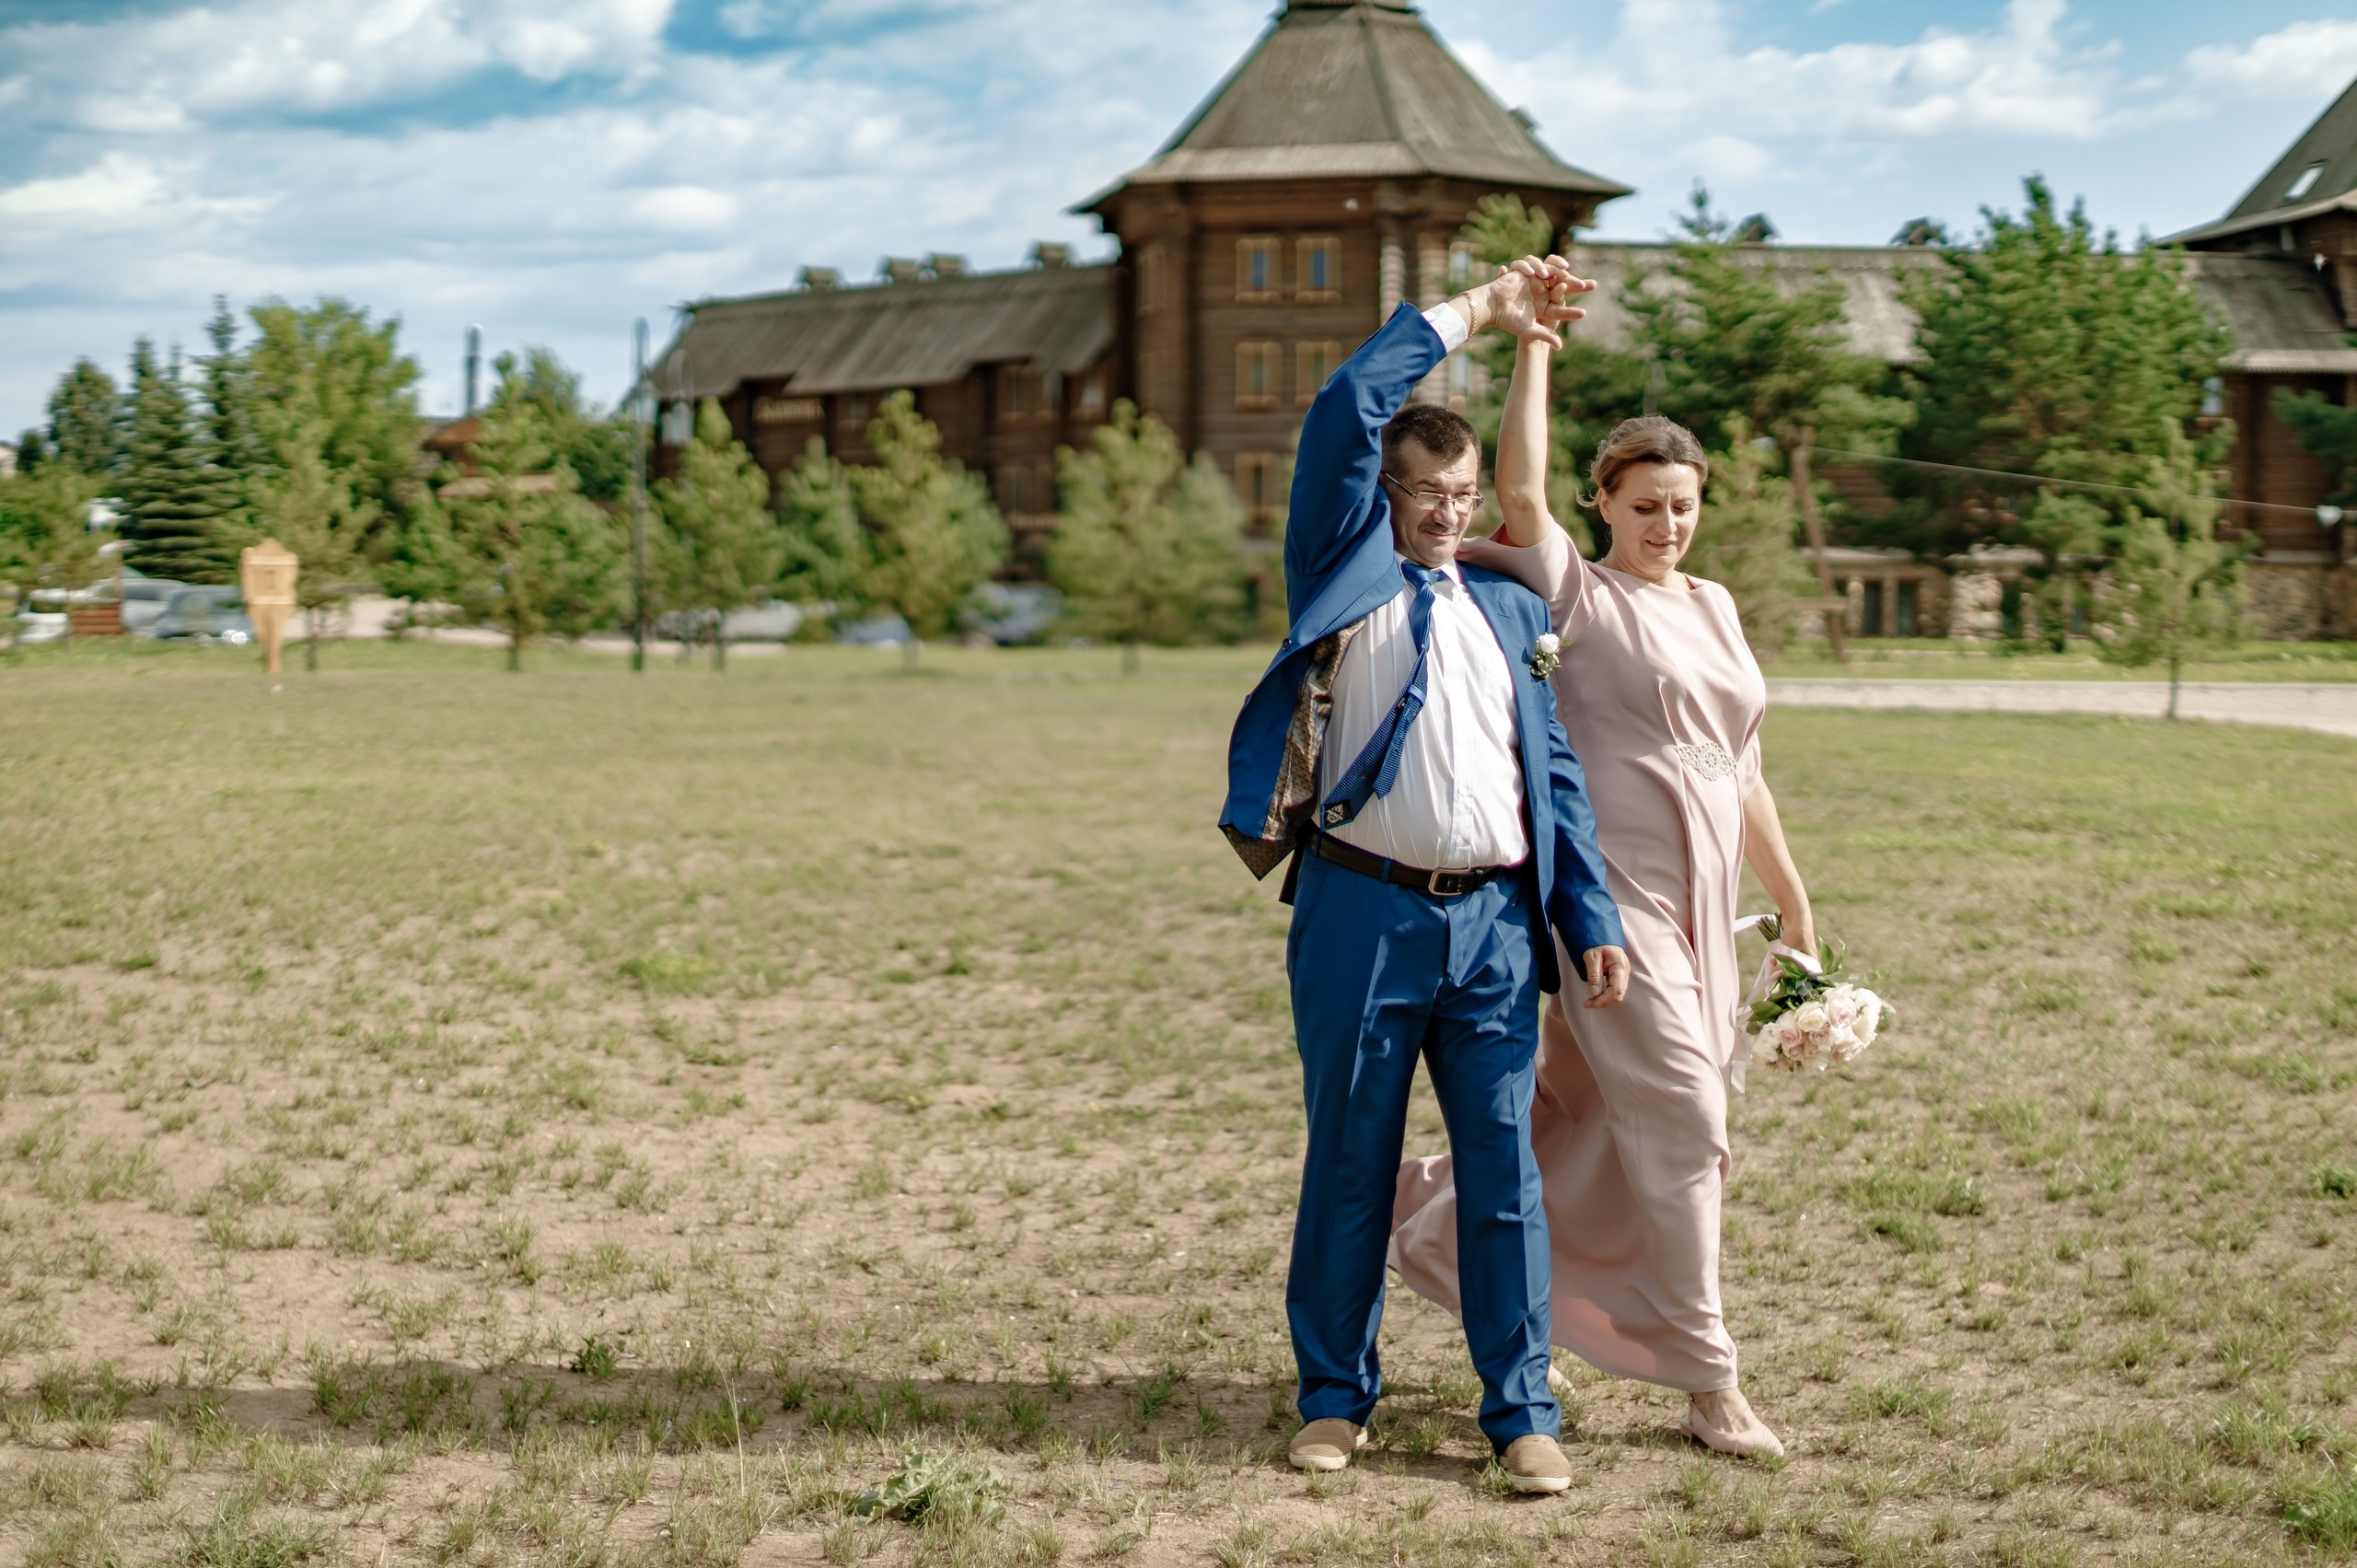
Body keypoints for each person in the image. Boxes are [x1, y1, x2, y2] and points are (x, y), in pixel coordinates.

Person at [1218, 260, 1631, 1494]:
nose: (1449, 511)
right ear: (1384, 495)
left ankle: (1521, 1409)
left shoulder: (1509, 613)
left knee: (1506, 1169)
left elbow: (1551, 772)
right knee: (1351, 1156)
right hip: (1361, 907)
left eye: (1461, 493)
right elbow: (1348, 403)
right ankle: (1336, 1397)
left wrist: (1587, 913)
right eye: (1425, 491)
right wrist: (1480, 314)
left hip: (1498, 924)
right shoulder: (1342, 570)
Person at [1388, 307, 1817, 1459]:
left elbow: (1744, 768)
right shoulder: (1573, 593)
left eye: (1681, 505)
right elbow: (1517, 488)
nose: (1666, 524)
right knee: (1686, 1113)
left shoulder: (1716, 604)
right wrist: (1533, 347)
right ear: (1604, 507)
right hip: (1612, 898)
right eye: (1643, 505)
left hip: (1706, 904)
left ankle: (1422, 1217)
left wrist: (1793, 893)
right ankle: (1708, 1378)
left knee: (1621, 1127)